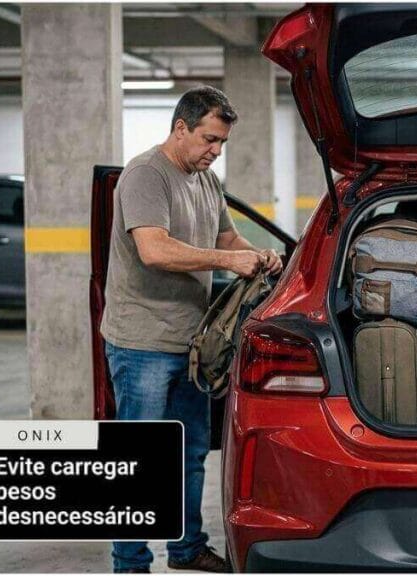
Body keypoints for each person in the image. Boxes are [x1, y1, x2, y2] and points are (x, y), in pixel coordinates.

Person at [100, 85, 283, 573]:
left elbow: (225, 235)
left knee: (191, 451)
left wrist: (260, 255)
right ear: (181, 128)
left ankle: (185, 549)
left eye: (221, 142)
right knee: (140, 461)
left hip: (193, 344)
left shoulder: (206, 179)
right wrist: (229, 260)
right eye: (209, 139)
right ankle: (131, 561)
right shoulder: (145, 175)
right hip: (143, 342)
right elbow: (154, 250)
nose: (215, 151)